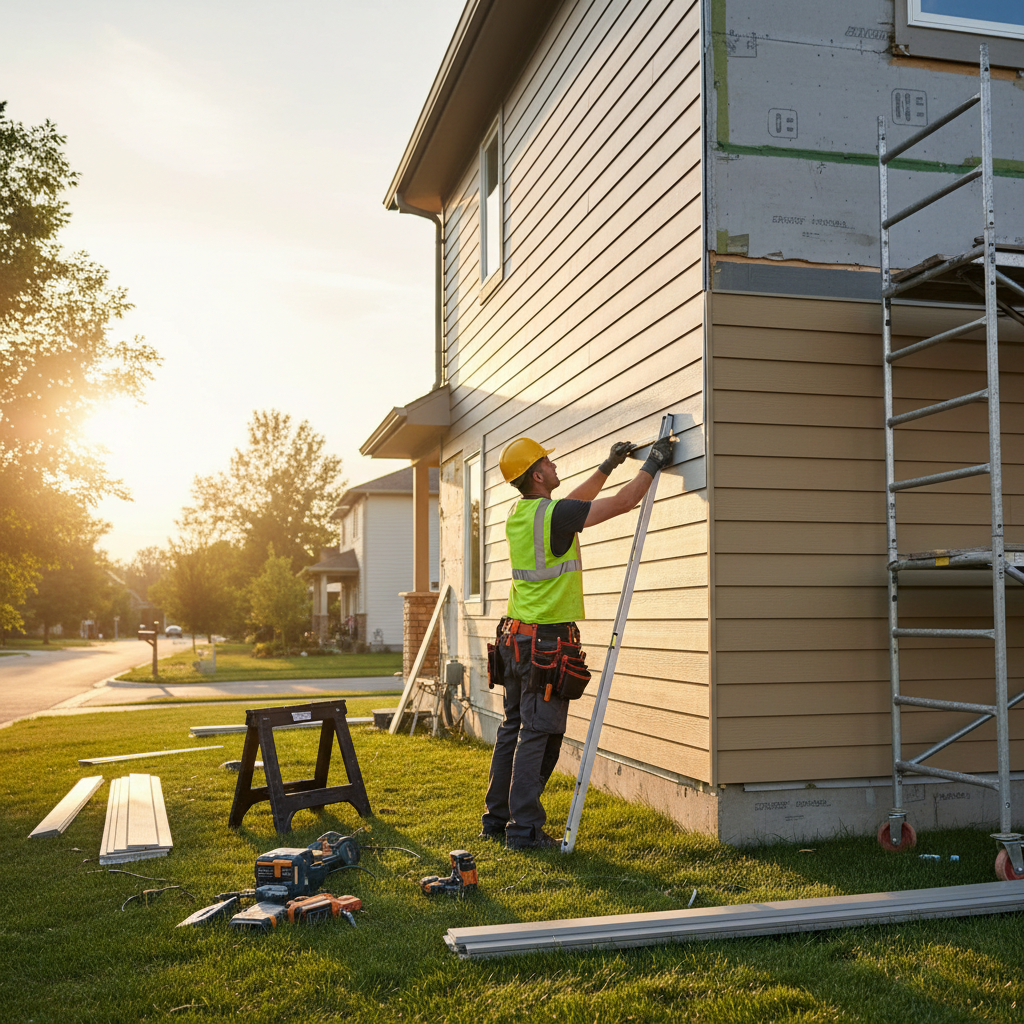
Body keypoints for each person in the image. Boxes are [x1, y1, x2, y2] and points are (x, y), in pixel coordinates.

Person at [480, 433, 674, 849]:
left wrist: (607, 465)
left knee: (513, 729)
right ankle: (524, 831)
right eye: (547, 462)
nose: (554, 465)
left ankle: (497, 820)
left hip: (514, 638)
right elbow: (623, 503)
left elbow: (572, 504)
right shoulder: (554, 515)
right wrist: (654, 462)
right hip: (543, 643)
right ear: (536, 474)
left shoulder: (521, 512)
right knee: (537, 733)